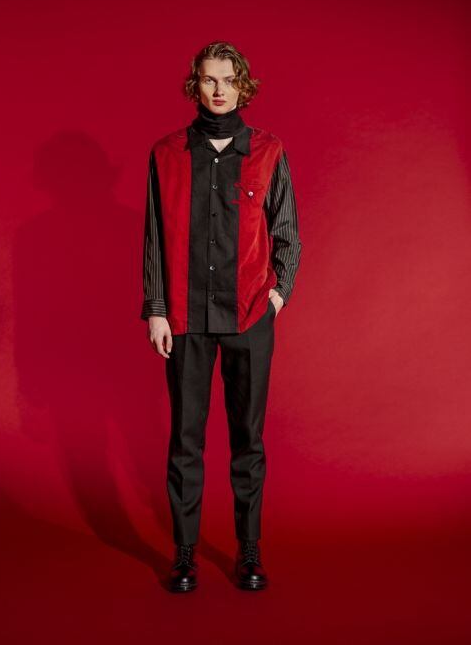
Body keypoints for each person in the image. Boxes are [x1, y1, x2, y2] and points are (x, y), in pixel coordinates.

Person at [141, 40, 302, 592]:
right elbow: (154, 239)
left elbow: (288, 233)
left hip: (250, 318)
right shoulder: (166, 154)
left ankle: (248, 549)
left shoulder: (268, 151)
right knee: (185, 442)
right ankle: (184, 554)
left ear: (242, 85)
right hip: (184, 319)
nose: (218, 90)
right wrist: (157, 310)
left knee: (247, 441)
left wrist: (277, 297)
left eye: (228, 80)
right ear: (196, 84)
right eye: (209, 79)